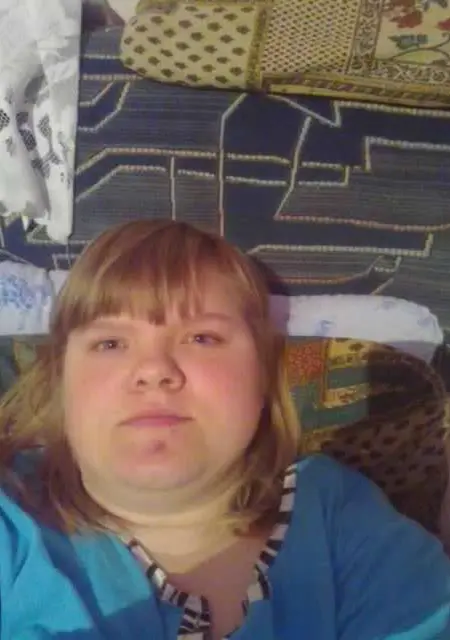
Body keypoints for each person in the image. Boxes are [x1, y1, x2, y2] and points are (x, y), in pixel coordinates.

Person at [0, 219, 449, 640]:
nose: (154, 369)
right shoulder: (13, 519)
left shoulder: (341, 519)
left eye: (202, 338)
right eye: (110, 343)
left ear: (263, 378)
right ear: (60, 382)